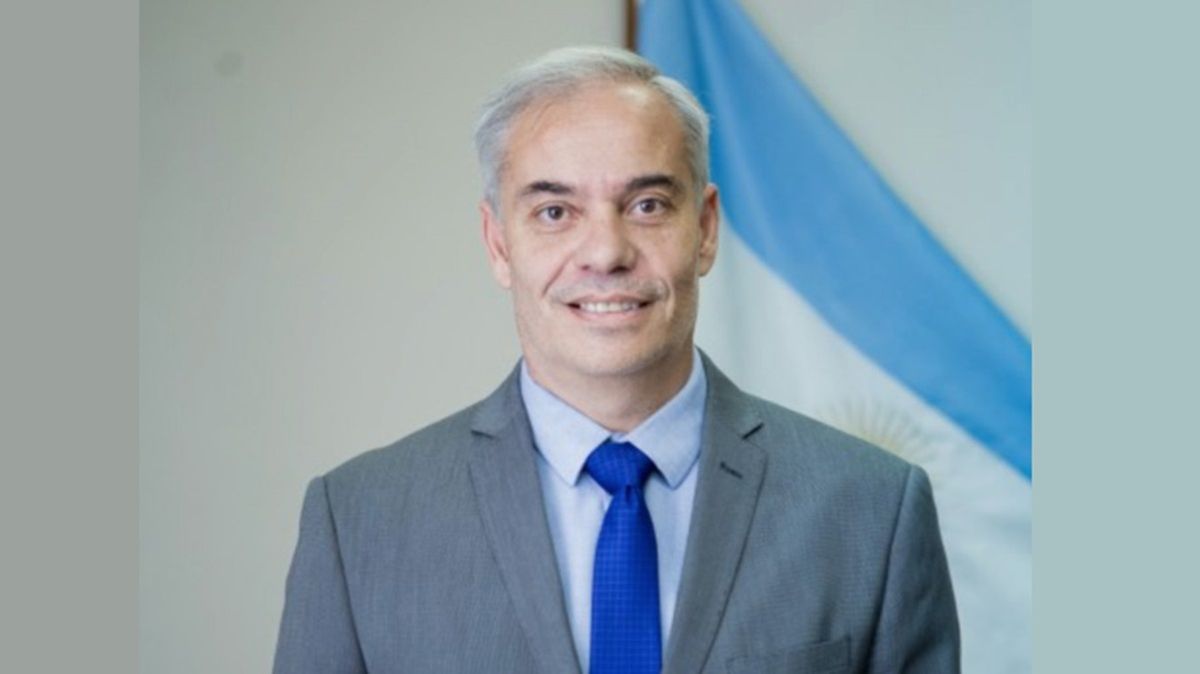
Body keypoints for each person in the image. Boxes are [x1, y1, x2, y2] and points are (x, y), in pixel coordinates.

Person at [273, 46, 959, 674]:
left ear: (706, 229)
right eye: (554, 212)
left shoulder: (873, 510)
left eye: (648, 204)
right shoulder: (358, 521)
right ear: (498, 244)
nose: (606, 252)